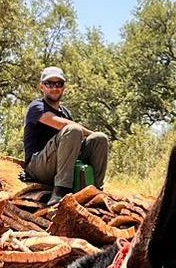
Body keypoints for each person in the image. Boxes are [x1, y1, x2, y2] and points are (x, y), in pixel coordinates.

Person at [22, 66, 110, 202]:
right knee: (73, 129)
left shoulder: (66, 113)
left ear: (63, 87)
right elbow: (62, 125)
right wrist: (85, 131)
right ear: (42, 87)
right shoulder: (36, 107)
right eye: (49, 84)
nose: (54, 87)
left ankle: (95, 190)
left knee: (100, 138)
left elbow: (75, 141)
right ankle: (60, 191)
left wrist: (94, 137)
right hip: (38, 167)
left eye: (59, 84)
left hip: (60, 164)